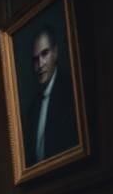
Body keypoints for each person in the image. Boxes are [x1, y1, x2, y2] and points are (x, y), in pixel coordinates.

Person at [22, 24, 78, 166]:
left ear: (56, 53)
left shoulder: (71, 93)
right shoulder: (33, 109)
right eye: (35, 59)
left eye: (44, 54)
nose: (40, 64)